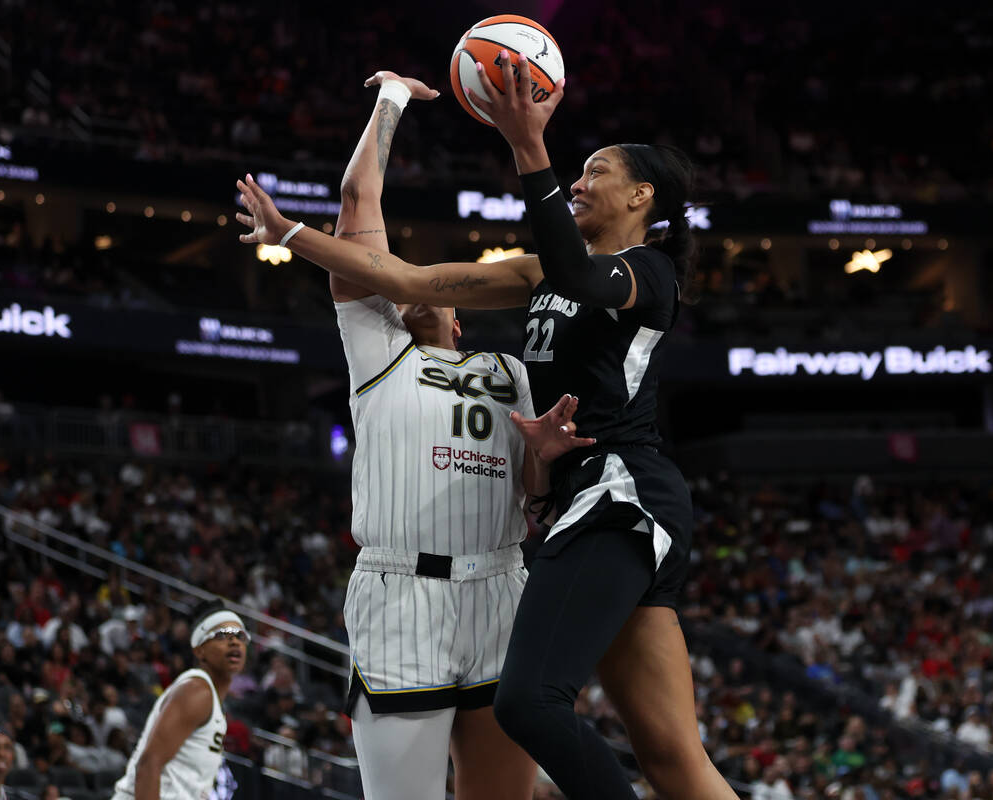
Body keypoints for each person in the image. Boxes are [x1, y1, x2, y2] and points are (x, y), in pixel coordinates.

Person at [235, 51, 735, 800]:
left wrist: (528, 143)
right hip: (578, 506)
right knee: (670, 756)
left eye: (595, 171)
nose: (578, 182)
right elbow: (402, 277)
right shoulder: (535, 274)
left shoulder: (647, 271)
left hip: (623, 499)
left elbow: (579, 275)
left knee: (532, 704)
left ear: (641, 194)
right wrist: (289, 231)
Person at [271, 69, 592, 800]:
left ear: (459, 316)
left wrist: (542, 462)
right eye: (398, 288)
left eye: (428, 292)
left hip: (503, 586)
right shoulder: (380, 355)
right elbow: (358, 209)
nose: (408, 295)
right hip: (401, 589)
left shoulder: (512, 369)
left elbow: (534, 499)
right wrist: (389, 103)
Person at [113, 600, 248, 800]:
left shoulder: (209, 699)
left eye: (240, 636)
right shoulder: (196, 691)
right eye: (221, 635)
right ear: (199, 649)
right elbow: (149, 764)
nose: (234, 642)